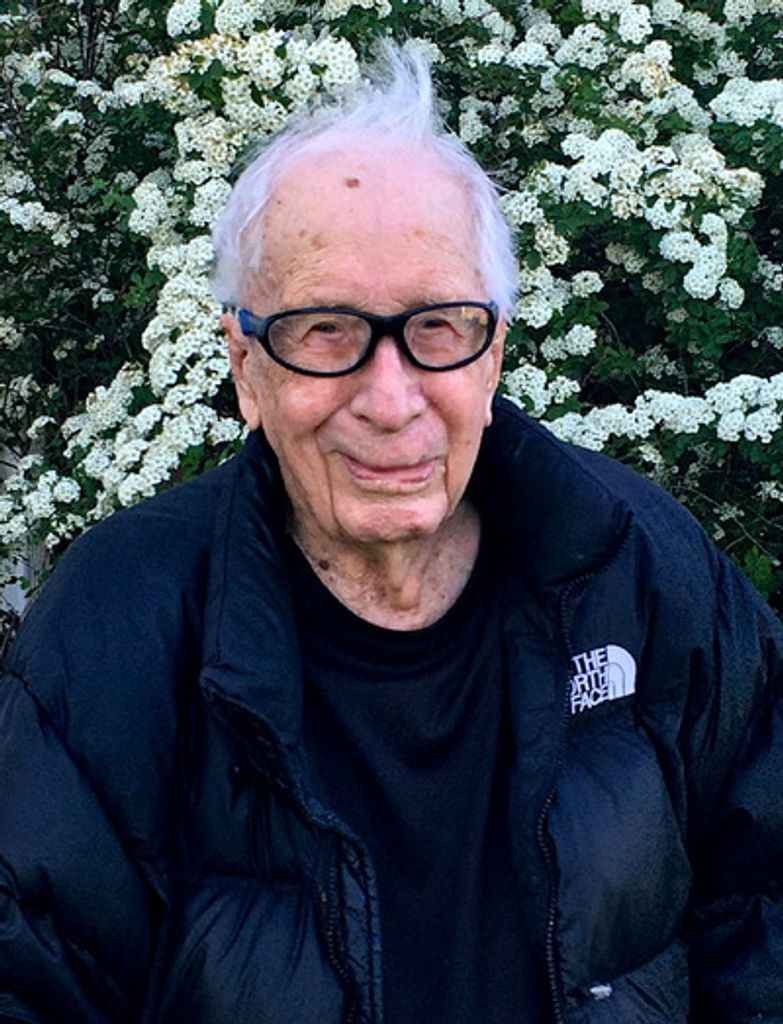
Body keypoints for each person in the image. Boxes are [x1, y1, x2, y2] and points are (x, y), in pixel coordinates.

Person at [1, 44, 782, 1024]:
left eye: (438, 326)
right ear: (246, 368)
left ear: (493, 353)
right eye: (324, 329)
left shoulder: (643, 567)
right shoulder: (115, 628)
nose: (389, 398)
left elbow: (763, 915)